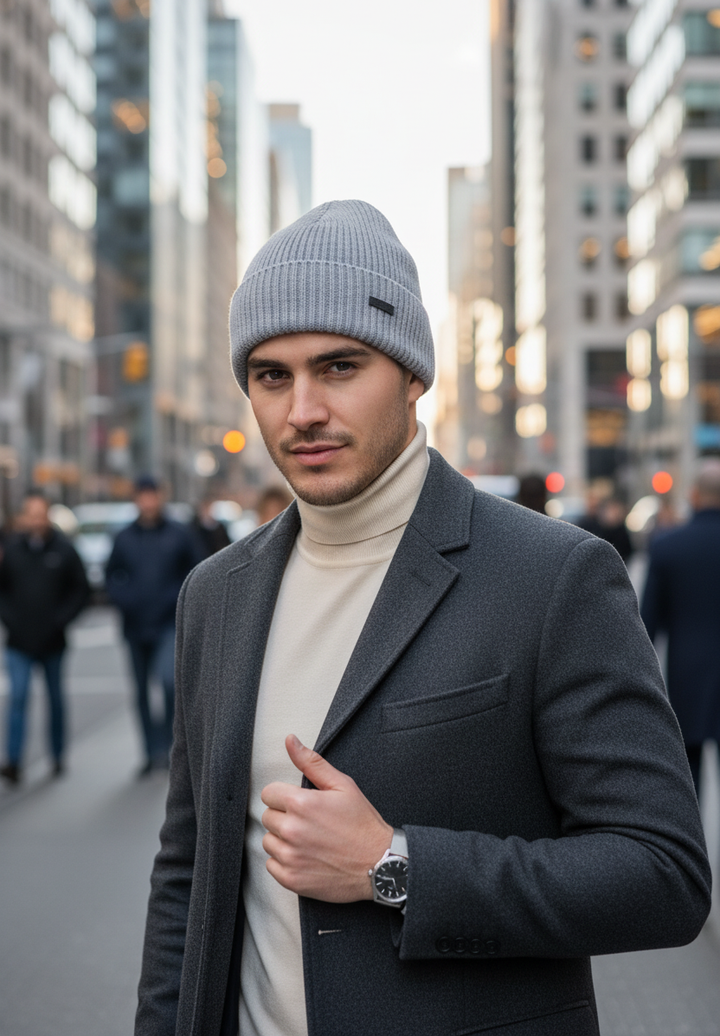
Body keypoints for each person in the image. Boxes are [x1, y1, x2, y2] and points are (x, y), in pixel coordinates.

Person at [136, 202, 710, 1036]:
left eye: (339, 366)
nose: (302, 410)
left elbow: (663, 875)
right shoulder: (215, 593)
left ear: (412, 374)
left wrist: (393, 865)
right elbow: (187, 877)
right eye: (271, 375)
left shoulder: (552, 575)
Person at [106, 477, 201, 775]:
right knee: (141, 693)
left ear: (161, 497)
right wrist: (126, 599)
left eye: (153, 496)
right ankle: (150, 753)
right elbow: (111, 576)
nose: (148, 502)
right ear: (136, 499)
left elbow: (198, 571)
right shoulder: (124, 537)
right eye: (143, 496)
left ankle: (169, 748)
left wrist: (177, 599)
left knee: (169, 684)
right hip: (135, 626)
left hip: (168, 623)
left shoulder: (178, 534)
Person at [641, 458, 720, 797]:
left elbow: (645, 627)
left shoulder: (669, 547)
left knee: (688, 786)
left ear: (694, 495)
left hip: (687, 677)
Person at [0, 491, 89, 785]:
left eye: (41, 514)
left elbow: (80, 589)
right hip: (19, 641)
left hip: (53, 641)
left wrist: (60, 620)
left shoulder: (64, 549)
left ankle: (57, 756)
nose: (36, 520)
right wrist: (10, 620)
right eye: (31, 514)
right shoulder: (12, 550)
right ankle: (13, 761)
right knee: (18, 698)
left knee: (55, 699)